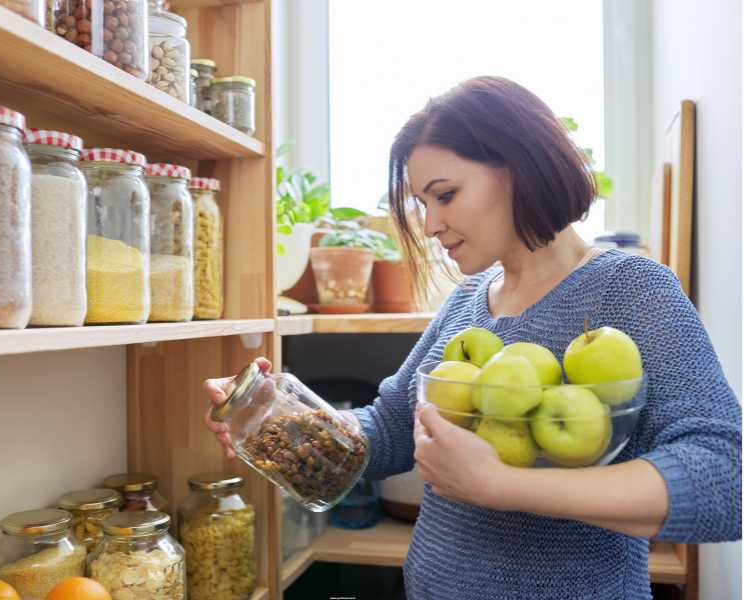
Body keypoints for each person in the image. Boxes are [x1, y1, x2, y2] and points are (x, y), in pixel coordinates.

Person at [205, 76, 741, 599]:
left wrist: (504, 486)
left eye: (446, 194)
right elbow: (393, 429)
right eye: (423, 203)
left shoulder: (630, 288)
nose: (431, 224)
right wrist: (283, 422)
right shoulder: (468, 300)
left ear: (519, 166)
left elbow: (726, 477)